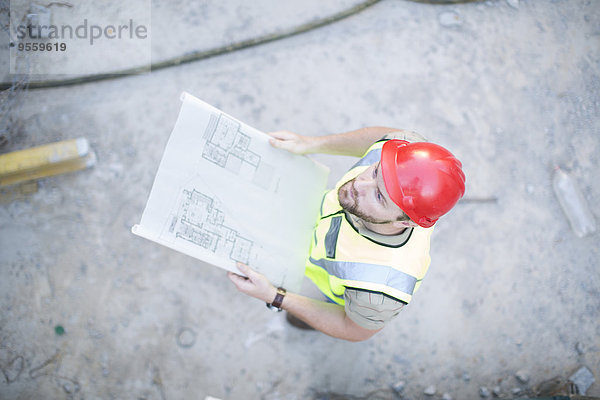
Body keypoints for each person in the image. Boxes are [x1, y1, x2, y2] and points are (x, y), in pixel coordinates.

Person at [227, 127, 465, 342]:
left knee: (316, 313)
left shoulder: (380, 291)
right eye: (374, 172)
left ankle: (304, 318)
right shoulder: (402, 150)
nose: (358, 184)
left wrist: (277, 297)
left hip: (337, 293)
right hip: (308, 228)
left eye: (380, 196)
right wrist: (311, 143)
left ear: (407, 222)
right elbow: (379, 139)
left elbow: (351, 327)